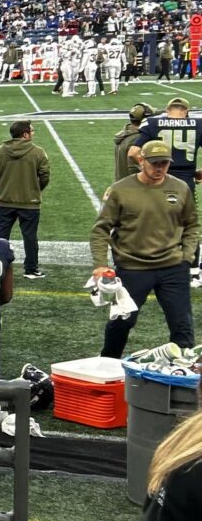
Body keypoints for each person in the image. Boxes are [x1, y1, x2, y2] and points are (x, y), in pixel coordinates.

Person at [92, 140, 200, 358]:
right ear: (141, 161)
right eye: (154, 163)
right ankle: (107, 363)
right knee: (122, 321)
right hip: (133, 268)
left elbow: (192, 225)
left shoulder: (180, 188)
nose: (159, 168)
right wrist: (100, 265)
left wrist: (186, 257)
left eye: (164, 163)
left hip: (173, 267)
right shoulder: (120, 190)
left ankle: (183, 372)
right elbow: (100, 229)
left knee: (182, 326)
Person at [0, 121, 49, 279]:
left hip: (5, 200)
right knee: (30, 236)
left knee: (1, 236)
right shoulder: (38, 152)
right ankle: (31, 269)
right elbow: (44, 176)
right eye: (31, 131)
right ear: (25, 134)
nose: (33, 133)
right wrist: (34, 189)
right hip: (30, 202)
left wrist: (3, 187)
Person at [133, 97, 198, 190]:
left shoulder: (152, 123)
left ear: (167, 110)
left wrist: (146, 168)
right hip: (186, 180)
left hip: (159, 179)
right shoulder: (198, 124)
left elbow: (133, 152)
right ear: (186, 111)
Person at [118, 103, 150, 183]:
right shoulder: (137, 139)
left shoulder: (125, 134)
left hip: (122, 183)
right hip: (132, 186)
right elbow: (134, 169)